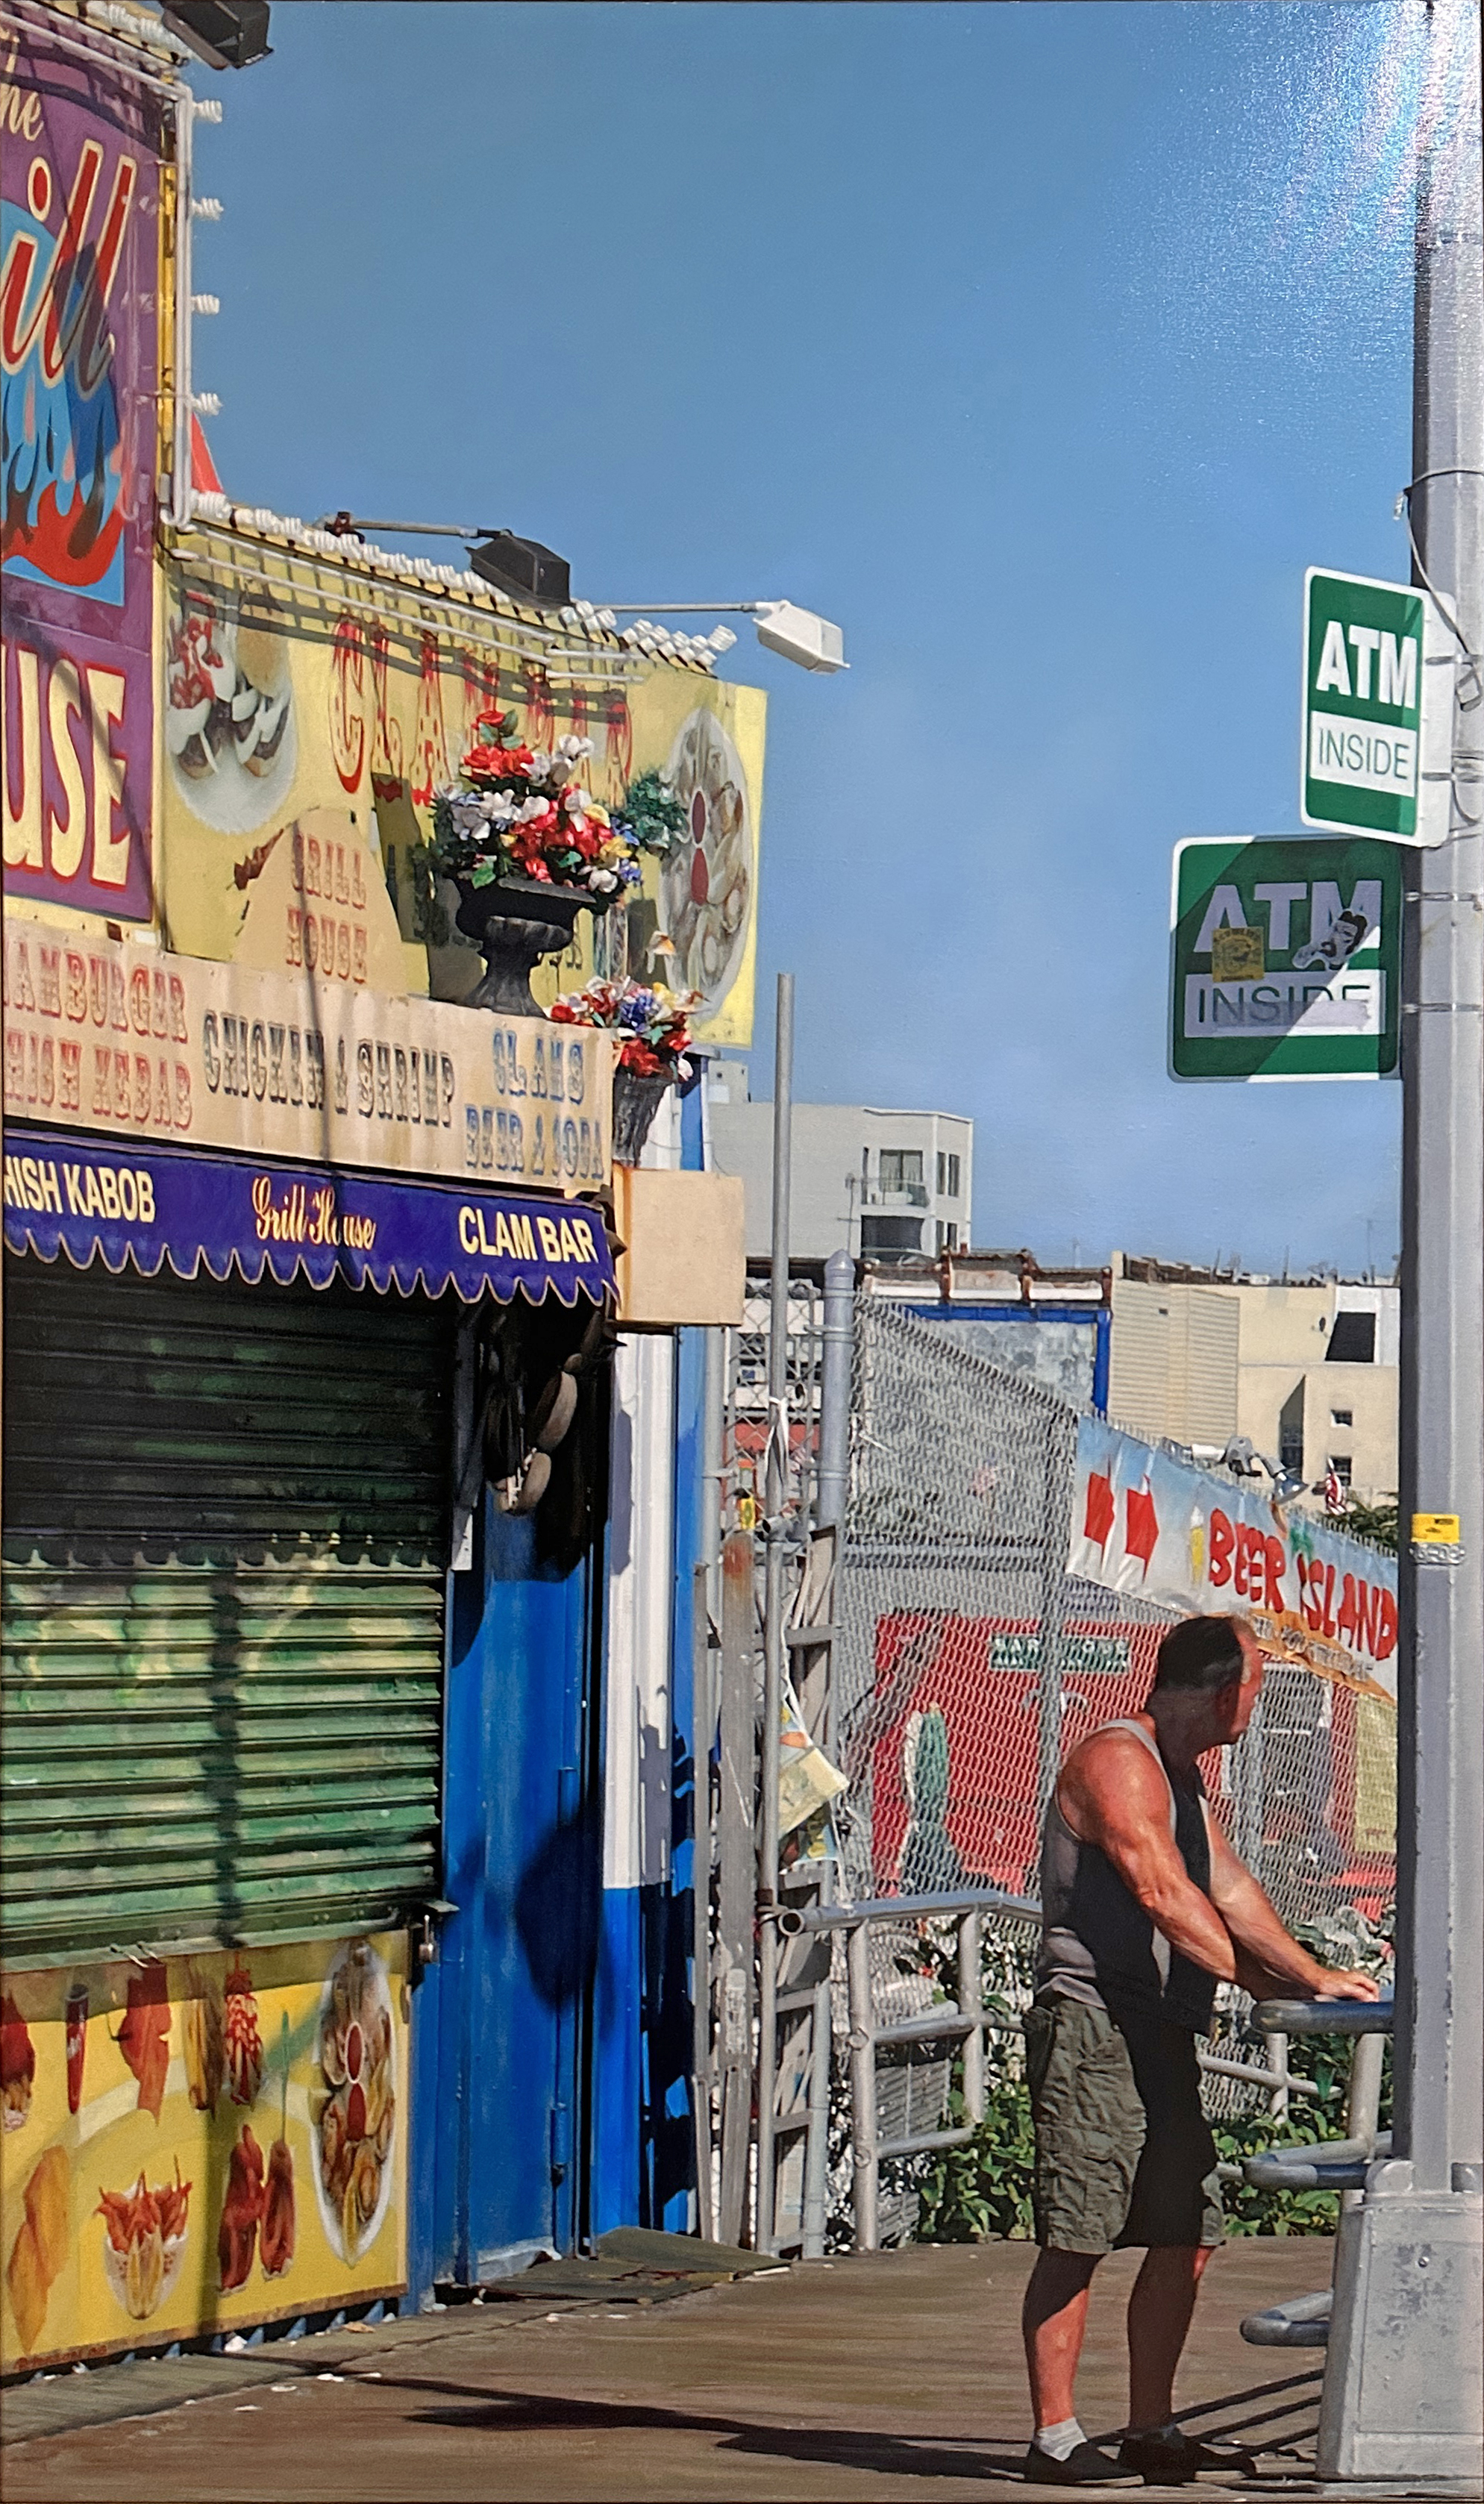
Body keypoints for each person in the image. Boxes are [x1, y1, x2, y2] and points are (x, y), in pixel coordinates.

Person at [1019, 1612, 1380, 2488]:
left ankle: (1152, 2426)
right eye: (1257, 1686)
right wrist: (1258, 1988)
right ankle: (1056, 2436)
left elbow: (1229, 1886)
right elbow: (1164, 1894)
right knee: (1080, 2231)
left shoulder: (1183, 1781)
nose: (1256, 1704)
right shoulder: (1116, 1763)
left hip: (1162, 2032)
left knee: (1186, 2229)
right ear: (1226, 1693)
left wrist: (1312, 1975)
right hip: (1095, 2024)